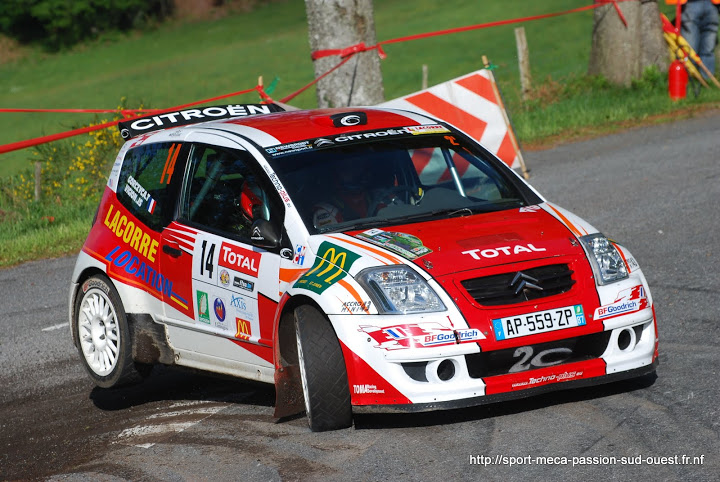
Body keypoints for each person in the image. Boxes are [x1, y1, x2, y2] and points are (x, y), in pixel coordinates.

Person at [667, 0, 720, 76]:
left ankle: (701, 79)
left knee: (697, 48)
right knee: (693, 48)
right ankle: (693, 78)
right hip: (698, 4)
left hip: (708, 5)